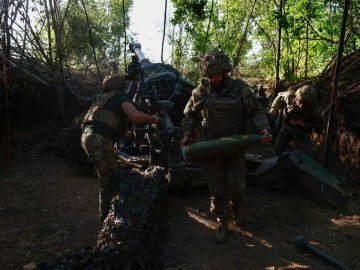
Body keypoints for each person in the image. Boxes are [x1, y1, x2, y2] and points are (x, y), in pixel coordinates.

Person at [180, 50, 271, 243]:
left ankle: (237, 210)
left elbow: (256, 111)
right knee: (217, 189)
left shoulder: (239, 88)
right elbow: (190, 115)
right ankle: (222, 221)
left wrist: (263, 129)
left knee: (237, 187)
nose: (215, 78)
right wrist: (187, 134)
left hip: (234, 146)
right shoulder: (201, 91)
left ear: (225, 72)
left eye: (218, 74)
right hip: (211, 148)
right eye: (211, 75)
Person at [81, 74, 159, 222]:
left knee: (109, 174)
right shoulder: (119, 97)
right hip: (98, 139)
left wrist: (124, 132)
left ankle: (109, 214)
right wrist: (152, 119)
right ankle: (107, 218)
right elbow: (134, 116)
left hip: (87, 136)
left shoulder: (102, 99)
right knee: (110, 179)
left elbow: (104, 120)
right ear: (121, 86)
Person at [269, 85, 325, 155]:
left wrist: (303, 124)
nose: (301, 106)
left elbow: (320, 125)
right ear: (296, 98)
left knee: (300, 154)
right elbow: (280, 97)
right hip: (287, 127)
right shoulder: (290, 96)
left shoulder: (315, 111)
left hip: (302, 132)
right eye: (300, 102)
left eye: (305, 104)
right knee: (279, 148)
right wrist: (274, 108)